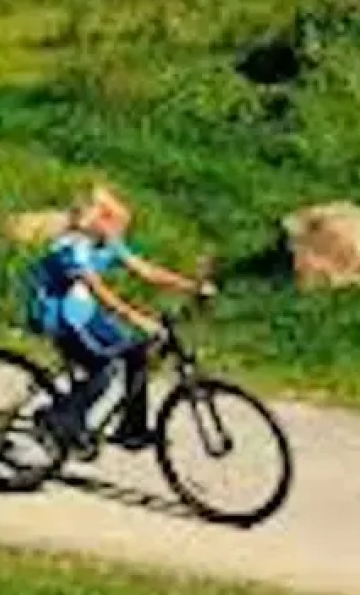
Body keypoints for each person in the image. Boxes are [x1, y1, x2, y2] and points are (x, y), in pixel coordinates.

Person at [23, 186, 216, 451]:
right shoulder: (72, 249)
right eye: (115, 223)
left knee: (137, 354)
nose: (121, 230)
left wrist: (191, 286)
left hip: (85, 313)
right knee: (104, 369)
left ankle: (131, 429)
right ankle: (58, 419)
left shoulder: (107, 243)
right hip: (60, 319)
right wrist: (137, 319)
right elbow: (98, 291)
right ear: (97, 222)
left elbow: (145, 270)